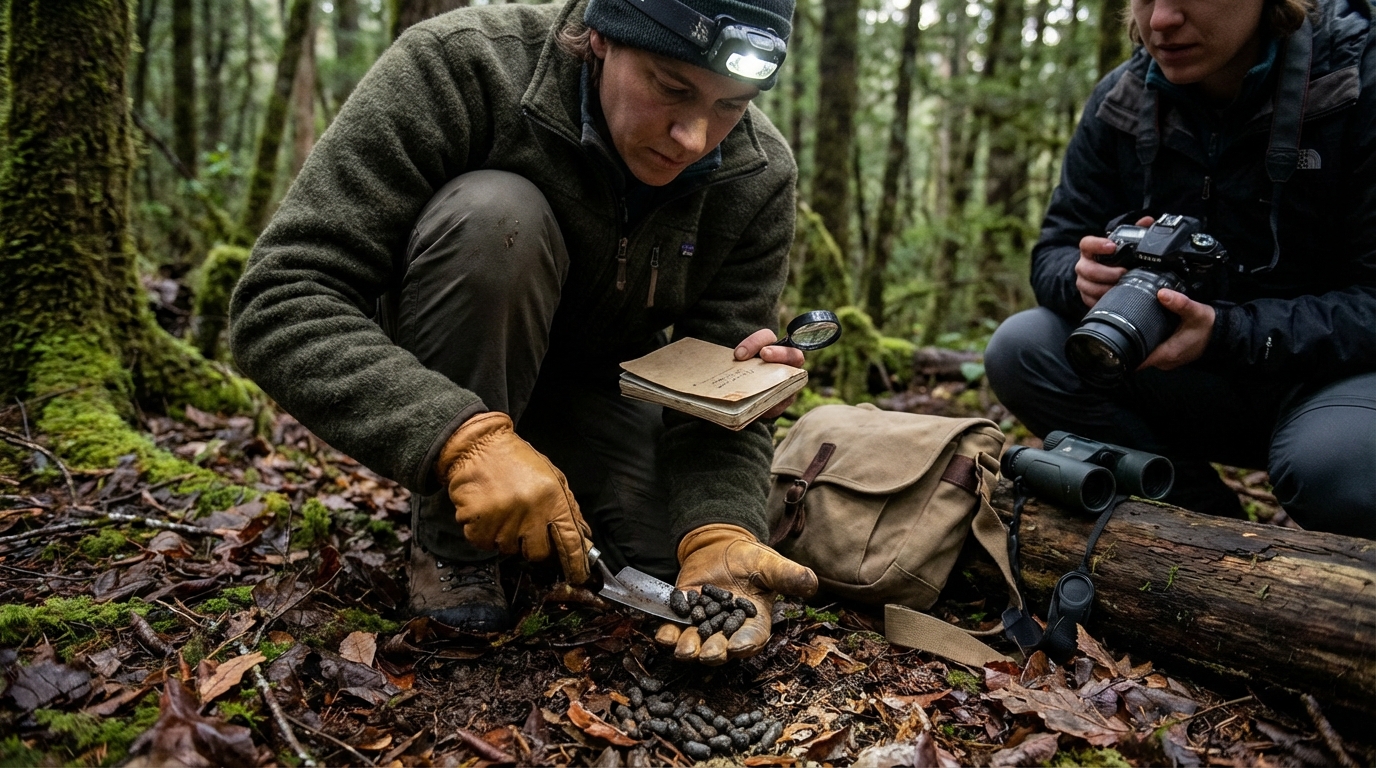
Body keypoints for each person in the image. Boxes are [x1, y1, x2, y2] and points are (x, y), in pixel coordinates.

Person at [229, 0, 819, 664]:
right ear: (599, 36)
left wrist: (719, 527)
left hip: (601, 392)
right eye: (670, 87)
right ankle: (453, 548)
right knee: (497, 216)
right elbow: (280, 297)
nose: (693, 136)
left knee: (672, 564)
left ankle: (593, 495)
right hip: (449, 364)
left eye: (730, 104)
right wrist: (459, 437)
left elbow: (720, 389)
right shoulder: (463, 66)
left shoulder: (756, 172)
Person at [984, 0, 1376, 539]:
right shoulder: (1122, 99)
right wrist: (1082, 277)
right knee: (1022, 346)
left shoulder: (1356, 79)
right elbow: (1054, 247)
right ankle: (1212, 530)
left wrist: (1228, 331)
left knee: (1338, 468)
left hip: (1327, 379)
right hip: (1180, 371)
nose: (1162, 21)